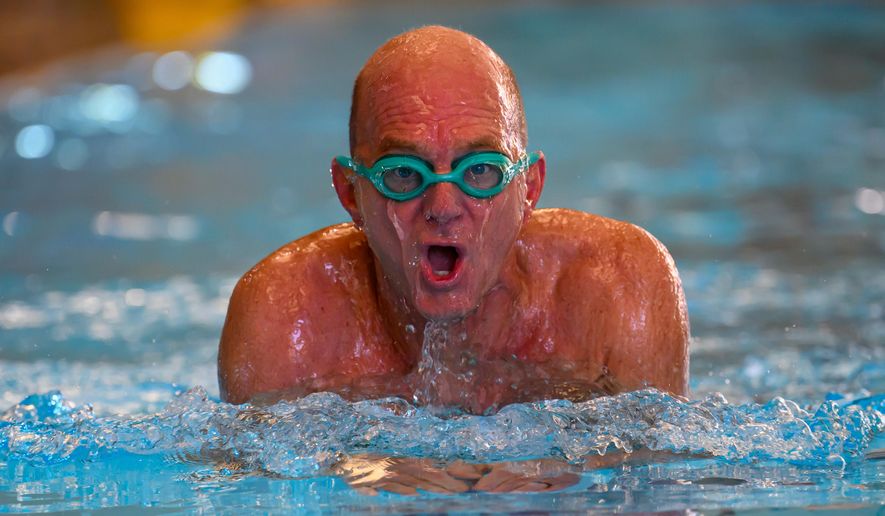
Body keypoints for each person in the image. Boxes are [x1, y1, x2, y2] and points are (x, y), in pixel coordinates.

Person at [218, 25, 689, 415]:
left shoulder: (620, 291)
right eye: (403, 174)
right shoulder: (283, 319)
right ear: (351, 193)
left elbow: (658, 490)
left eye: (480, 171)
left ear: (529, 188)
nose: (443, 205)